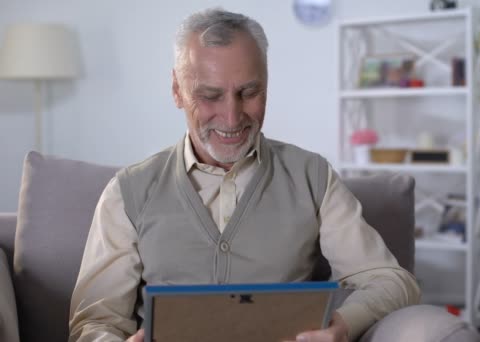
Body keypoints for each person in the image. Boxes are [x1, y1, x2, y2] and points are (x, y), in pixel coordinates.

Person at [68, 8, 420, 342]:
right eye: (210, 95)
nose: (232, 117)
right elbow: (95, 321)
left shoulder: (312, 177)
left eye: (248, 93)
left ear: (266, 85)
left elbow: (390, 280)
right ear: (177, 90)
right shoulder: (129, 191)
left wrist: (342, 324)